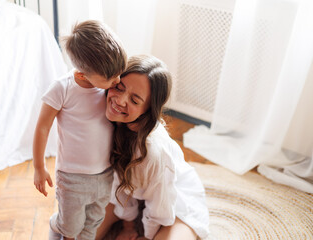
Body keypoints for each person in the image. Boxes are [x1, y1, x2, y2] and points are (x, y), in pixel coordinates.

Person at [96, 55, 209, 240]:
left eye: (134, 100)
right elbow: (118, 182)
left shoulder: (154, 151)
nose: (120, 101)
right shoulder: (108, 119)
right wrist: (128, 225)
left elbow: (161, 206)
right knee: (80, 234)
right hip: (134, 193)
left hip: (176, 200)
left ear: (147, 110)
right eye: (119, 88)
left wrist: (146, 236)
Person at [33, 20, 127, 240]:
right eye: (112, 78)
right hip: (72, 177)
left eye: (119, 74)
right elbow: (42, 128)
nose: (118, 81)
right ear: (83, 75)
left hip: (104, 174)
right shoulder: (62, 89)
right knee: (71, 227)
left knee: (93, 222)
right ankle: (58, 224)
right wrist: (39, 167)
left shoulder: (107, 89)